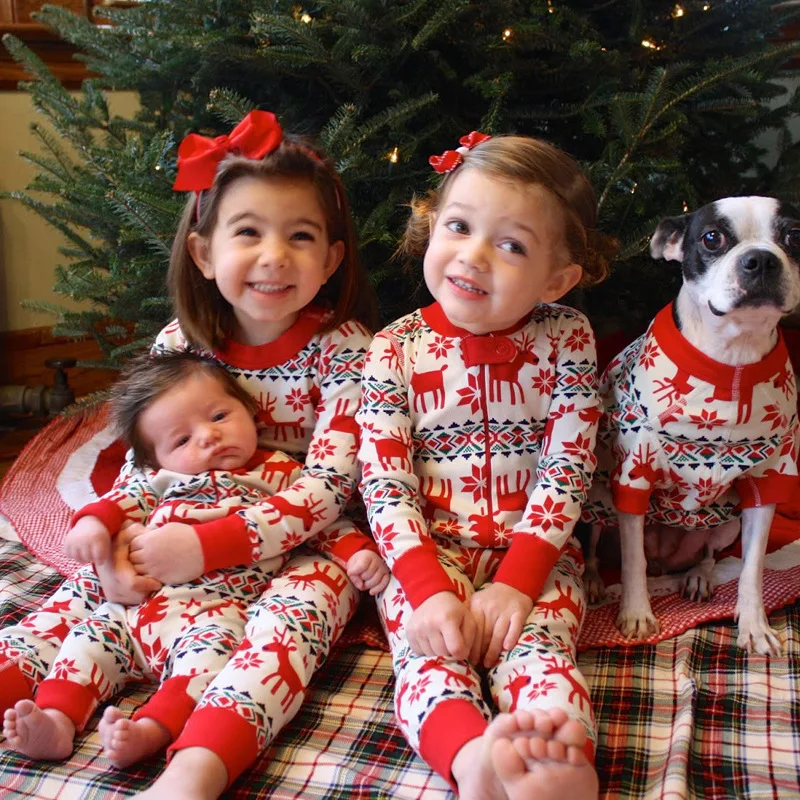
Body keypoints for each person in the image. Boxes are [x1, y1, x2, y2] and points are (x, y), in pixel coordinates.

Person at [0, 109, 379, 799]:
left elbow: (329, 487)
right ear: (204, 254)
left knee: (291, 631)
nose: (274, 257)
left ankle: (195, 769)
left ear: (330, 258)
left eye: (300, 236)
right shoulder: (182, 343)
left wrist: (211, 550)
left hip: (304, 544)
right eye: (248, 233)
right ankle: (33, 697)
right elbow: (145, 464)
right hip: (174, 518)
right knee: (73, 599)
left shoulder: (346, 351)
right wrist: (116, 557)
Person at [357, 131, 617, 800]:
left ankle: (557, 757)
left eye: (511, 245)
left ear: (557, 278)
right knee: (428, 660)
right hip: (426, 558)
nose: (472, 256)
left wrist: (520, 581)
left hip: (534, 557)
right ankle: (471, 760)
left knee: (540, 652)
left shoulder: (567, 339)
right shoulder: (395, 347)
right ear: (431, 226)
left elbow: (568, 467)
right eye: (459, 226)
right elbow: (385, 482)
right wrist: (426, 587)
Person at [2, 351, 388, 767]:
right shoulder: (162, 481)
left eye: (220, 416)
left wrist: (360, 553)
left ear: (250, 411)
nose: (207, 436)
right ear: (156, 459)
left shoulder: (280, 474)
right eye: (182, 440)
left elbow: (319, 522)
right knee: (84, 645)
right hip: (136, 611)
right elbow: (118, 504)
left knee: (205, 669)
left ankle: (150, 731)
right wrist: (92, 526)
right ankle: (58, 721)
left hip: (216, 615)